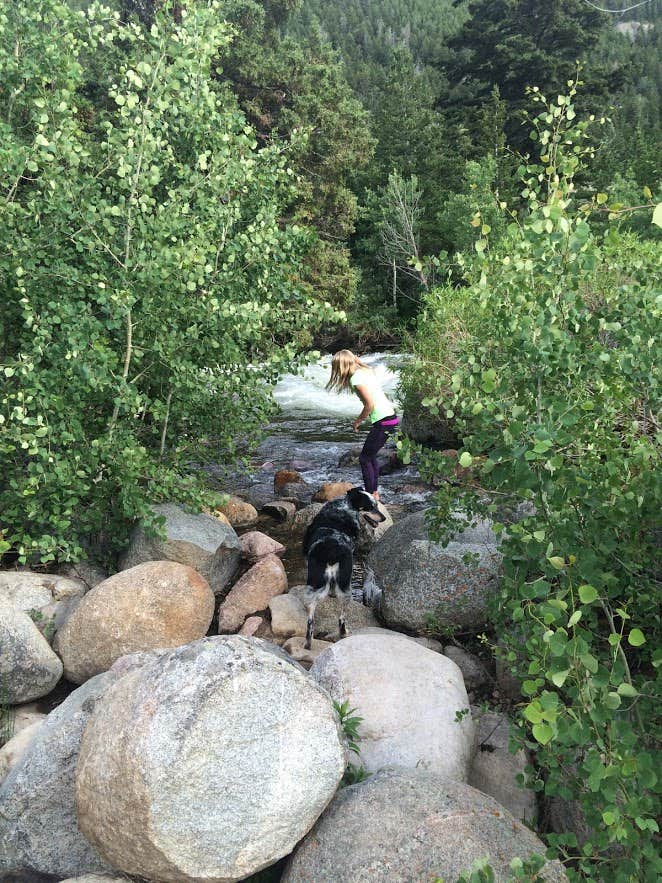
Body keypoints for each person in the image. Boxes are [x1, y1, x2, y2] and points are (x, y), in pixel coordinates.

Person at [326, 350, 399, 501]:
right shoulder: (365, 371)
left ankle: (371, 494)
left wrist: (358, 421)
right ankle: (374, 492)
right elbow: (370, 369)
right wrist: (359, 362)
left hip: (383, 421)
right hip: (390, 417)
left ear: (340, 366)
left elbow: (369, 404)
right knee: (370, 456)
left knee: (364, 459)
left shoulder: (355, 380)